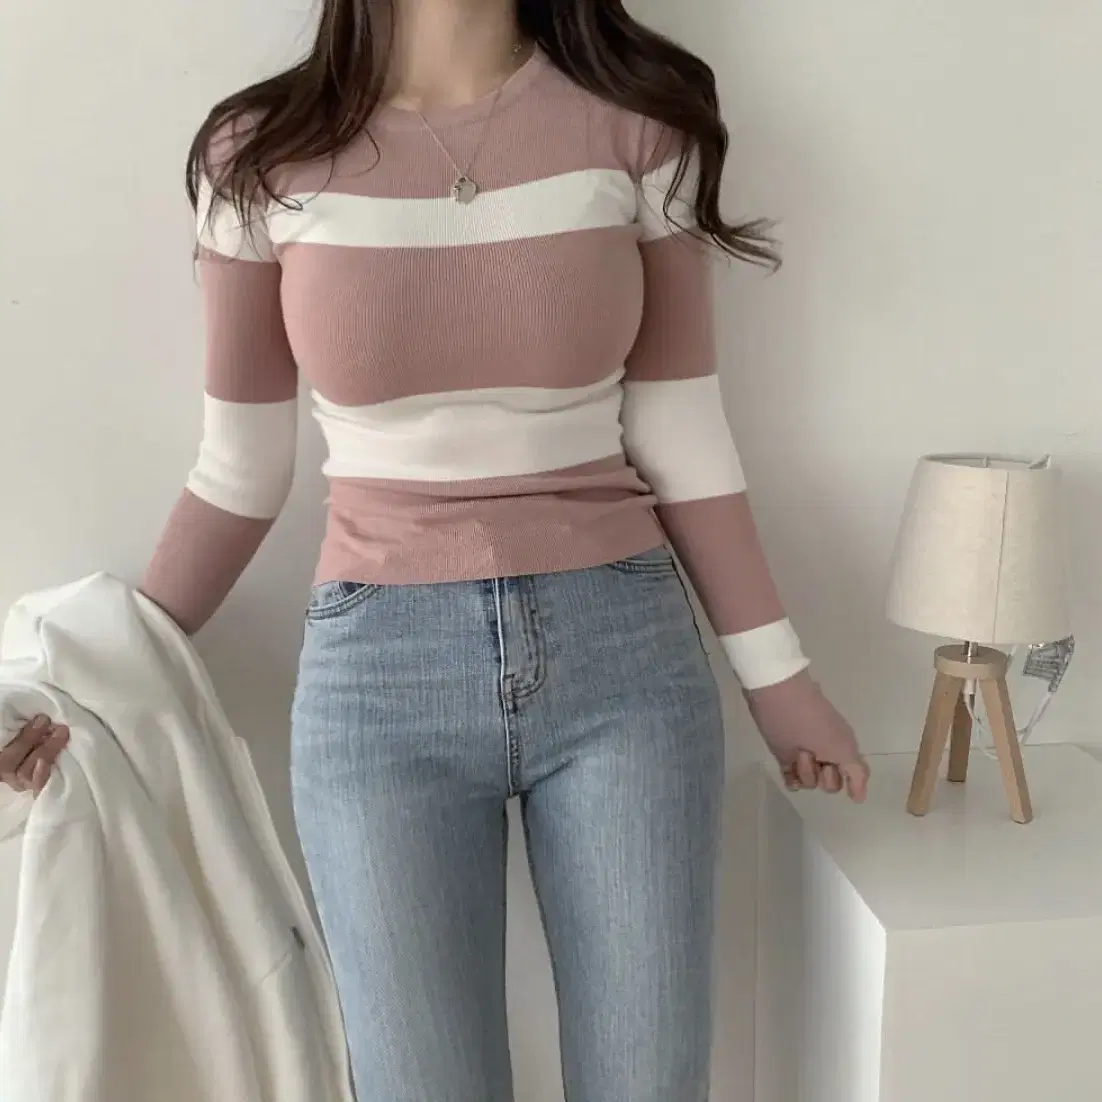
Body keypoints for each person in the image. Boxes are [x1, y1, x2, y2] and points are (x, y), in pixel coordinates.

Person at [5, 1, 869, 1098]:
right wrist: (73, 684)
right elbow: (237, 474)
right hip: (379, 681)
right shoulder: (257, 155)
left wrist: (781, 682)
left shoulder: (639, 121)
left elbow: (681, 434)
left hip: (624, 662)